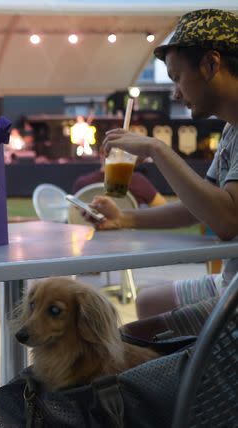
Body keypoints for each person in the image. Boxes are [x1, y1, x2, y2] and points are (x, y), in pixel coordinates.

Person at [86, 9, 238, 340]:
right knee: (148, 301)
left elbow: (227, 220)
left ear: (212, 65)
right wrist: (125, 218)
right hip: (229, 279)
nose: (175, 93)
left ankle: (202, 385)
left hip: (235, 298)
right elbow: (196, 205)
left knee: (128, 339)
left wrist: (157, 150)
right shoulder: (231, 131)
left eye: (176, 78)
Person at [72, 152, 167, 207]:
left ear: (102, 153)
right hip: (130, 237)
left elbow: (75, 215)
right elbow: (164, 209)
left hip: (91, 237)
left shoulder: (82, 183)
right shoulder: (138, 180)